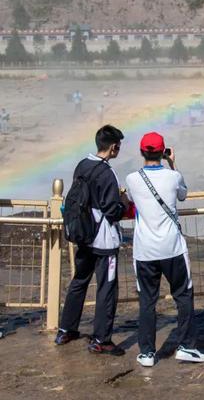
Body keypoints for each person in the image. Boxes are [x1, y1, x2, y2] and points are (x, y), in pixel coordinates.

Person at [125, 132, 204, 367]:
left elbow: (132, 200)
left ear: (142, 152)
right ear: (163, 152)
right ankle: (186, 347)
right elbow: (183, 195)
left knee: (147, 301)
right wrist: (174, 164)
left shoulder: (132, 179)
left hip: (145, 251)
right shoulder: (173, 176)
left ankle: (147, 353)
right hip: (173, 248)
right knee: (183, 295)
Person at [55, 125, 128, 356]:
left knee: (79, 281)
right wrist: (123, 202)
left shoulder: (82, 165)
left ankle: (66, 329)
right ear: (114, 147)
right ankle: (101, 339)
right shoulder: (107, 173)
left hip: (83, 235)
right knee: (107, 288)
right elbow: (112, 211)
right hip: (104, 241)